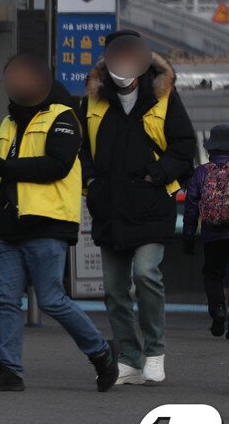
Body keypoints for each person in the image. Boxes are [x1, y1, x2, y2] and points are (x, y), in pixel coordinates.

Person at [0, 52, 117, 393]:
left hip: (47, 223)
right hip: (10, 225)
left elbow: (57, 165)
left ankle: (101, 352)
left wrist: (4, 168)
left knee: (52, 299)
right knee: (6, 300)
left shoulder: (64, 116)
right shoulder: (9, 123)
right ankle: (9, 370)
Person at [77, 30, 195, 385]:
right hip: (110, 207)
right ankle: (128, 357)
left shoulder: (165, 97)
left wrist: (157, 175)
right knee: (113, 288)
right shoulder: (92, 100)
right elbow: (81, 149)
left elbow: (184, 144)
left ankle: (155, 352)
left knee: (146, 274)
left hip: (150, 204)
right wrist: (93, 182)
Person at [182, 124, 229, 338]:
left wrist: (189, 237)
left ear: (211, 149)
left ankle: (218, 310)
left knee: (212, 275)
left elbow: (191, 206)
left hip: (212, 235)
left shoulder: (201, 172)